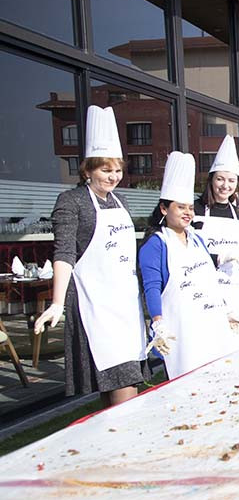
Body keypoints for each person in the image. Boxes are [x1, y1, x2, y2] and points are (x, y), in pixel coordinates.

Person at [35, 105, 148, 405]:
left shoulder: (120, 200)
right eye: (105, 169)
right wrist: (57, 302)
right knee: (123, 386)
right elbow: (64, 253)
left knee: (121, 382)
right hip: (94, 306)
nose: (113, 176)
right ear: (87, 169)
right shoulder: (71, 201)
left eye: (117, 170)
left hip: (124, 306)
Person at [139, 152, 239, 379]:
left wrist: (226, 310)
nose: (188, 213)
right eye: (180, 208)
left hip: (210, 323)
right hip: (182, 330)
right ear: (164, 209)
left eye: (190, 208)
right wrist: (157, 323)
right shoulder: (155, 244)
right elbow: (152, 287)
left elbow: (209, 280)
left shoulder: (196, 239)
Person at [191, 135, 239, 338]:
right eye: (220, 179)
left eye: (231, 180)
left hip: (233, 292)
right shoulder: (195, 210)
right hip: (204, 291)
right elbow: (190, 255)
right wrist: (218, 257)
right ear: (211, 180)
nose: (225, 185)